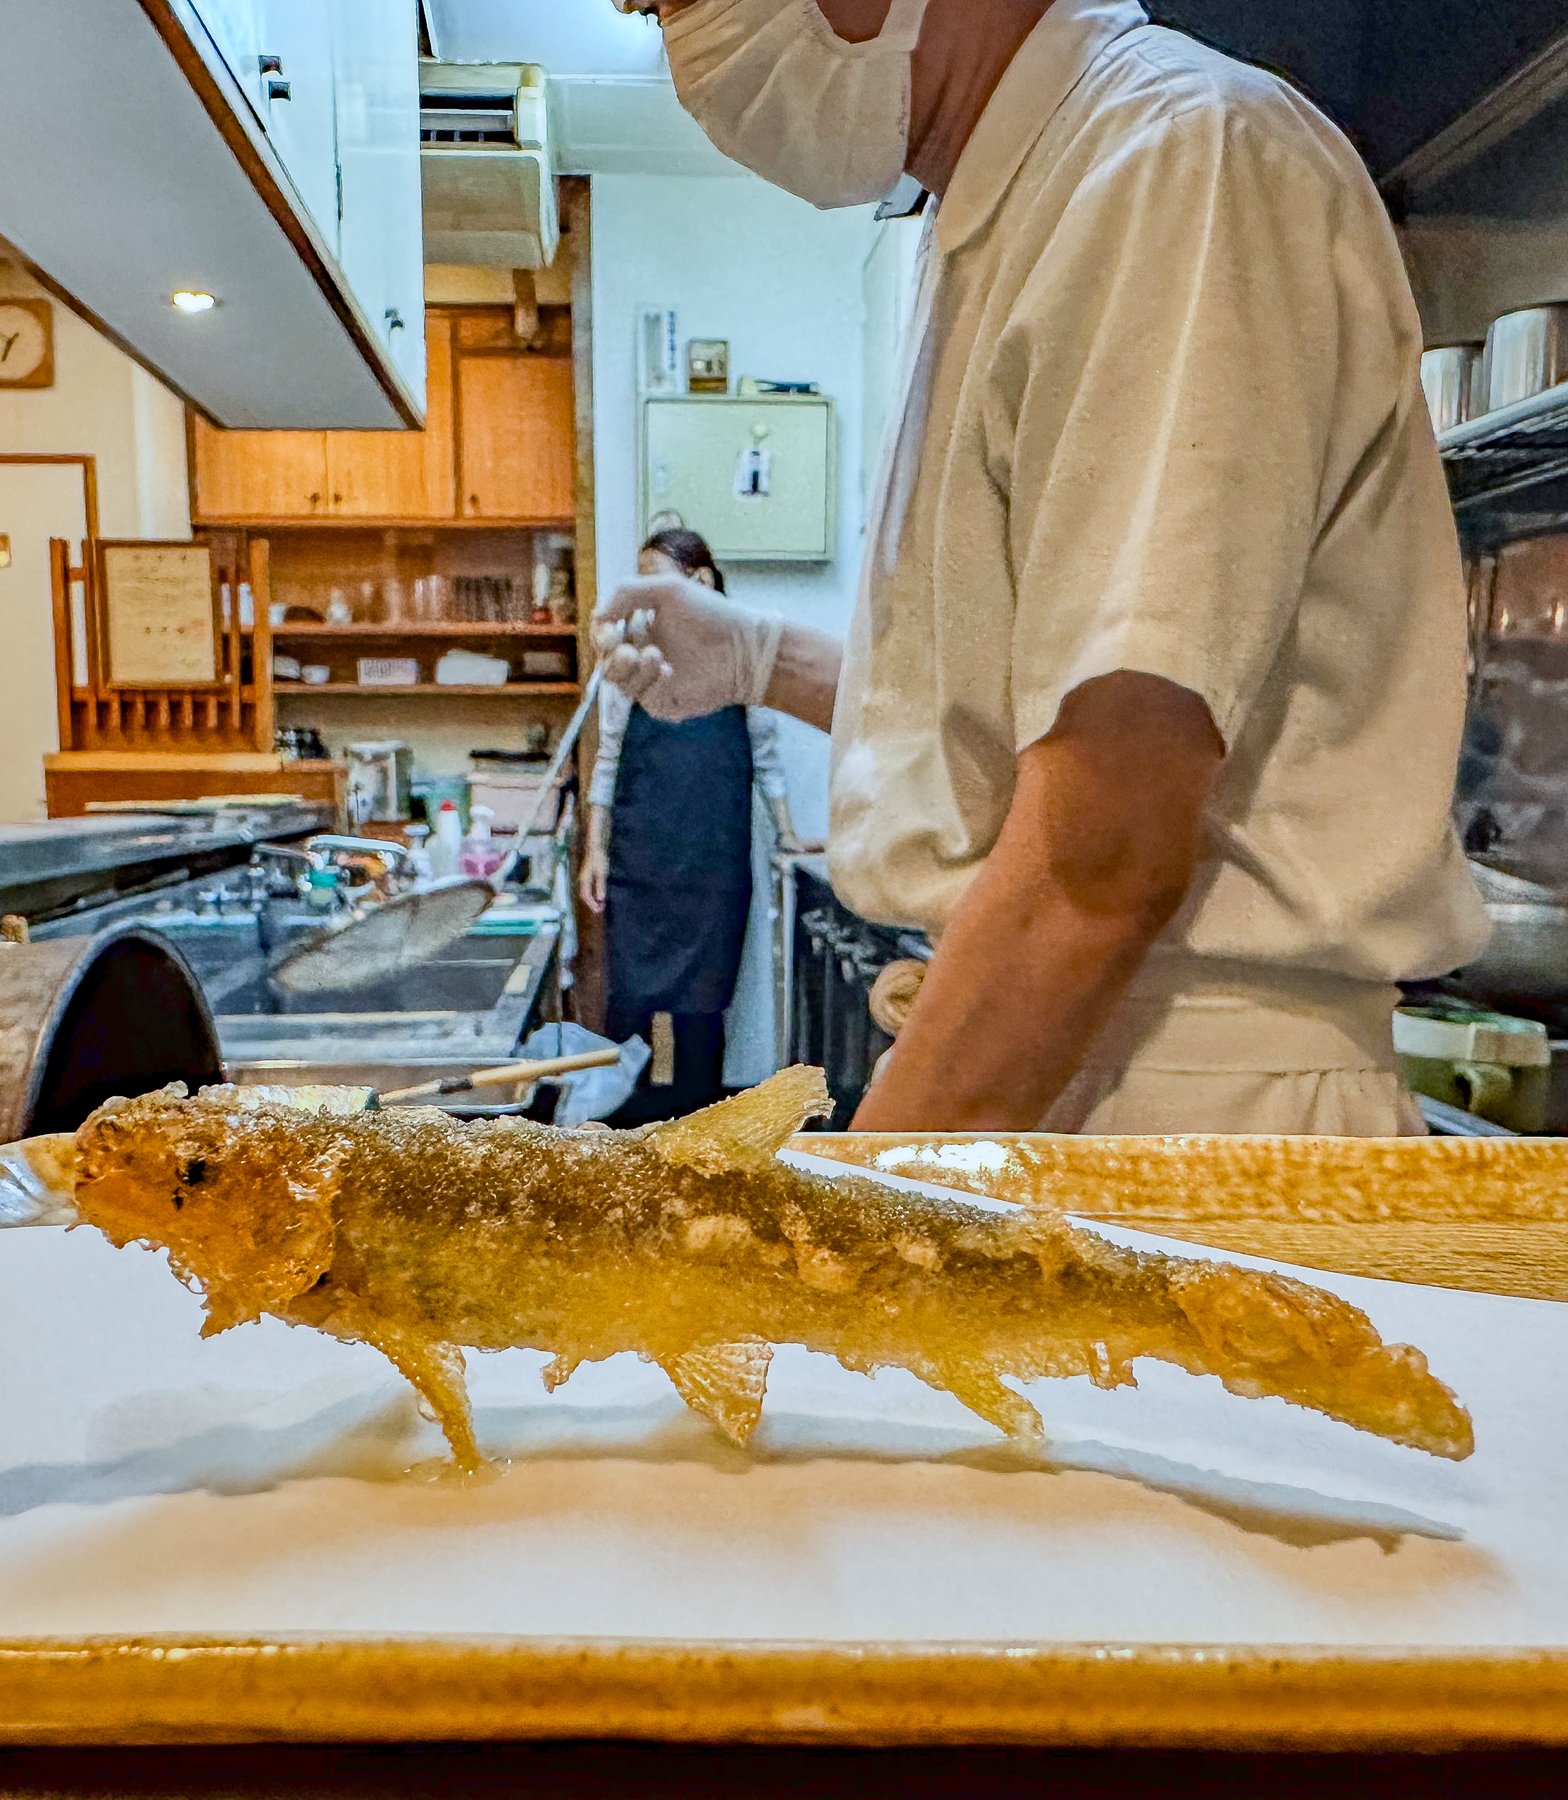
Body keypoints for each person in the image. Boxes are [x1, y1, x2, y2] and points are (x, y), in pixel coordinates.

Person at [599, 0, 1490, 1136]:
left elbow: (1101, 855)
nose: (684, 37)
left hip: (1183, 1121)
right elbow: (1044, 720)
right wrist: (763, 656)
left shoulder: (1171, 162)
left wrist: (848, 1226)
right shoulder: (1006, 211)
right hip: (1084, 1076)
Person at [580, 529, 811, 1122]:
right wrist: (595, 851)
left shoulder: (740, 658)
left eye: (654, 576)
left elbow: (766, 759)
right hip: (641, 856)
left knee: (705, 1002)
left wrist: (787, 833)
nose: (641, 593)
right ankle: (621, 1132)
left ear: (701, 583)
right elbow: (607, 761)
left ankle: (700, 1128)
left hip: (714, 856)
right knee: (631, 999)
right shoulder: (630, 662)